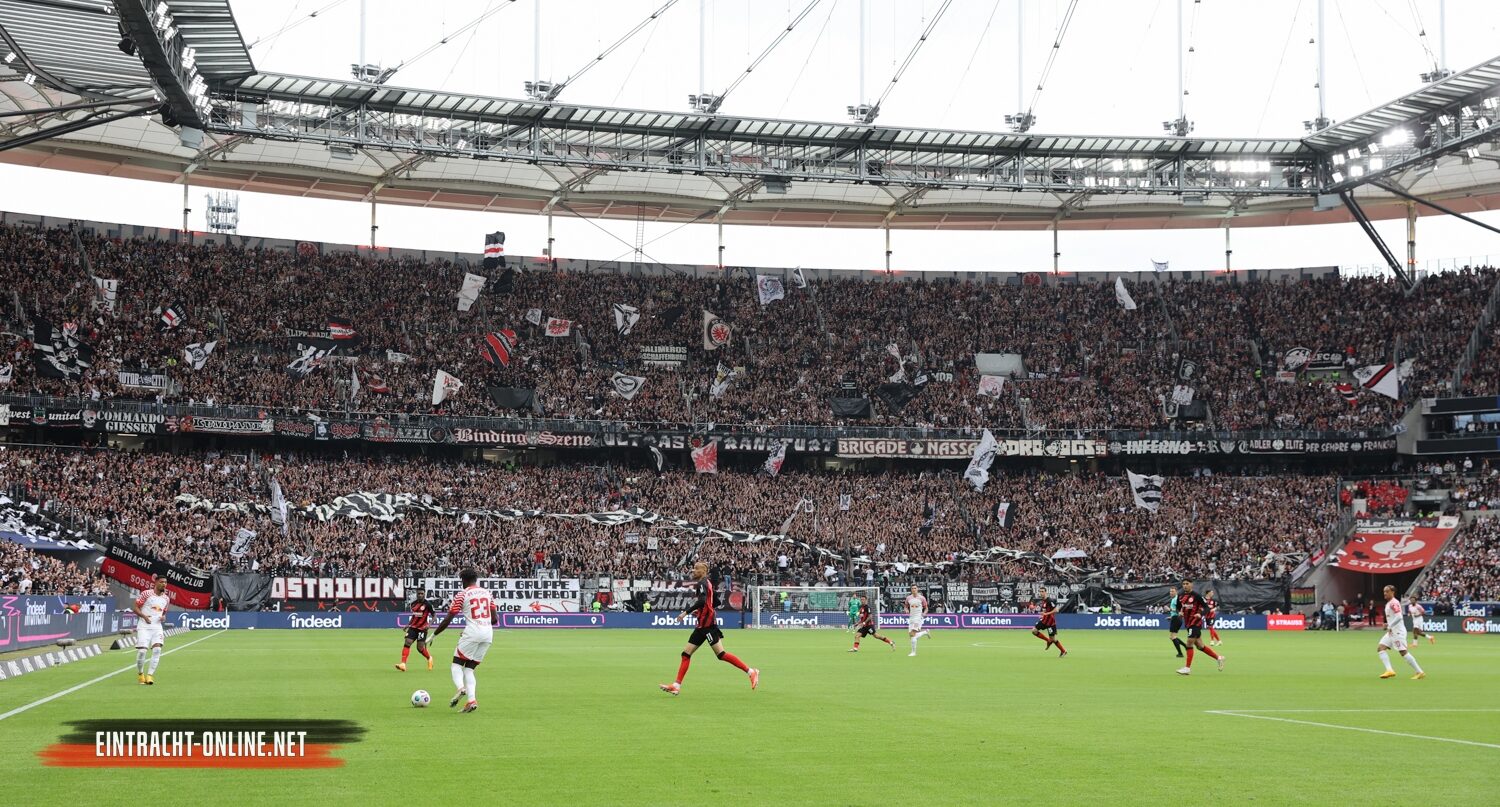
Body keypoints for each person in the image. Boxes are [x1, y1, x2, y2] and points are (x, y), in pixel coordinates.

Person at [659, 561, 758, 695]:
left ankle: (751, 671)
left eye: (695, 569)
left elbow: (701, 601)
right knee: (686, 654)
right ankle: (676, 685)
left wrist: (686, 612)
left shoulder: (702, 584)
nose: (693, 571)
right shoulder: (708, 583)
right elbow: (715, 601)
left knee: (721, 654)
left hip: (708, 626)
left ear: (702, 571)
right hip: (702, 625)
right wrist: (703, 611)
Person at [431, 569, 495, 713]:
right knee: (469, 669)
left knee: (456, 665)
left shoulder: (462, 594)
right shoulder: (487, 593)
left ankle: (461, 689)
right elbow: (495, 619)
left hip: (472, 633)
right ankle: (471, 701)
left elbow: (448, 618)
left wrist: (434, 634)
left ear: (463, 581)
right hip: (488, 634)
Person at [1175, 580, 1223, 676]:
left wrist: (1200, 614)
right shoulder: (1180, 596)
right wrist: (1179, 612)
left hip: (1195, 623)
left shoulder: (1196, 596)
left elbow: (1207, 608)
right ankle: (1219, 658)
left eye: (1187, 584)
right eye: (1183, 584)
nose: (1185, 586)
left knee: (1189, 644)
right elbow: (1178, 607)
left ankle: (1187, 668)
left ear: (1191, 584)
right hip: (1188, 623)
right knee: (1200, 646)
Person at [1377, 585, 1426, 680]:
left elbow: (1399, 616)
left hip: (1397, 632)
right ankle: (1389, 670)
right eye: (1384, 592)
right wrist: (1388, 624)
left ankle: (1420, 672)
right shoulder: (1389, 603)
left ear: (1392, 592)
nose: (1385, 593)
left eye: (1387, 591)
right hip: (1392, 631)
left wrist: (1390, 625)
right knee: (1381, 648)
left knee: (1403, 652)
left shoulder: (1393, 603)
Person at [131, 577, 170, 685]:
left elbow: (163, 613)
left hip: (157, 627)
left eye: (165, 582)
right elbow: (135, 608)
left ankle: (150, 676)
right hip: (144, 626)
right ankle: (140, 674)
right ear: (156, 582)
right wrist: (144, 617)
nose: (164, 584)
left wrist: (163, 618)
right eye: (161, 582)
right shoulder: (146, 594)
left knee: (157, 650)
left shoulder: (166, 598)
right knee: (142, 651)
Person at [395, 590, 434, 672]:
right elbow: (414, 616)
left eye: (422, 594)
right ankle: (403, 664)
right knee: (407, 642)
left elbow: (434, 616)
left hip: (422, 629)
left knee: (419, 648)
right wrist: (408, 625)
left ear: (424, 594)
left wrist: (429, 625)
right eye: (419, 594)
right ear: (416, 594)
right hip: (413, 627)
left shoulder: (428, 604)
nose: (420, 595)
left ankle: (429, 658)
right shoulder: (413, 604)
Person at [1030, 586, 1067, 658]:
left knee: (1053, 639)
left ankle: (1063, 651)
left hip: (1050, 623)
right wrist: (1042, 616)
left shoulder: (1049, 600)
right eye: (1040, 591)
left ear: (1045, 592)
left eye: (1042, 591)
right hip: (1044, 621)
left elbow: (1056, 610)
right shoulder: (1043, 601)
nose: (1041, 593)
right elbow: (1045, 611)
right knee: (1034, 631)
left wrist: (1046, 614)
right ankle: (1048, 640)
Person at [905, 584, 932, 657]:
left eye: (915, 588)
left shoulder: (922, 598)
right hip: (911, 617)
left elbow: (926, 608)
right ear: (911, 590)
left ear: (917, 589)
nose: (914, 589)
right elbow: (906, 606)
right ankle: (925, 632)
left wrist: (924, 613)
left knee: (913, 634)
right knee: (911, 635)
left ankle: (913, 652)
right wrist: (906, 610)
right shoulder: (908, 598)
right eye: (912, 588)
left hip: (918, 617)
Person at [1167, 586, 1186, 657]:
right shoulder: (1175, 599)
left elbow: (1180, 610)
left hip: (1176, 619)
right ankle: (1185, 646)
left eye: (1172, 591)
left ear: (1176, 592)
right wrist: (1171, 617)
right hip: (1175, 618)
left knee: (1173, 637)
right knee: (1172, 637)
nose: (1171, 593)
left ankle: (1180, 653)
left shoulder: (1176, 599)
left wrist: (1170, 610)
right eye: (1170, 591)